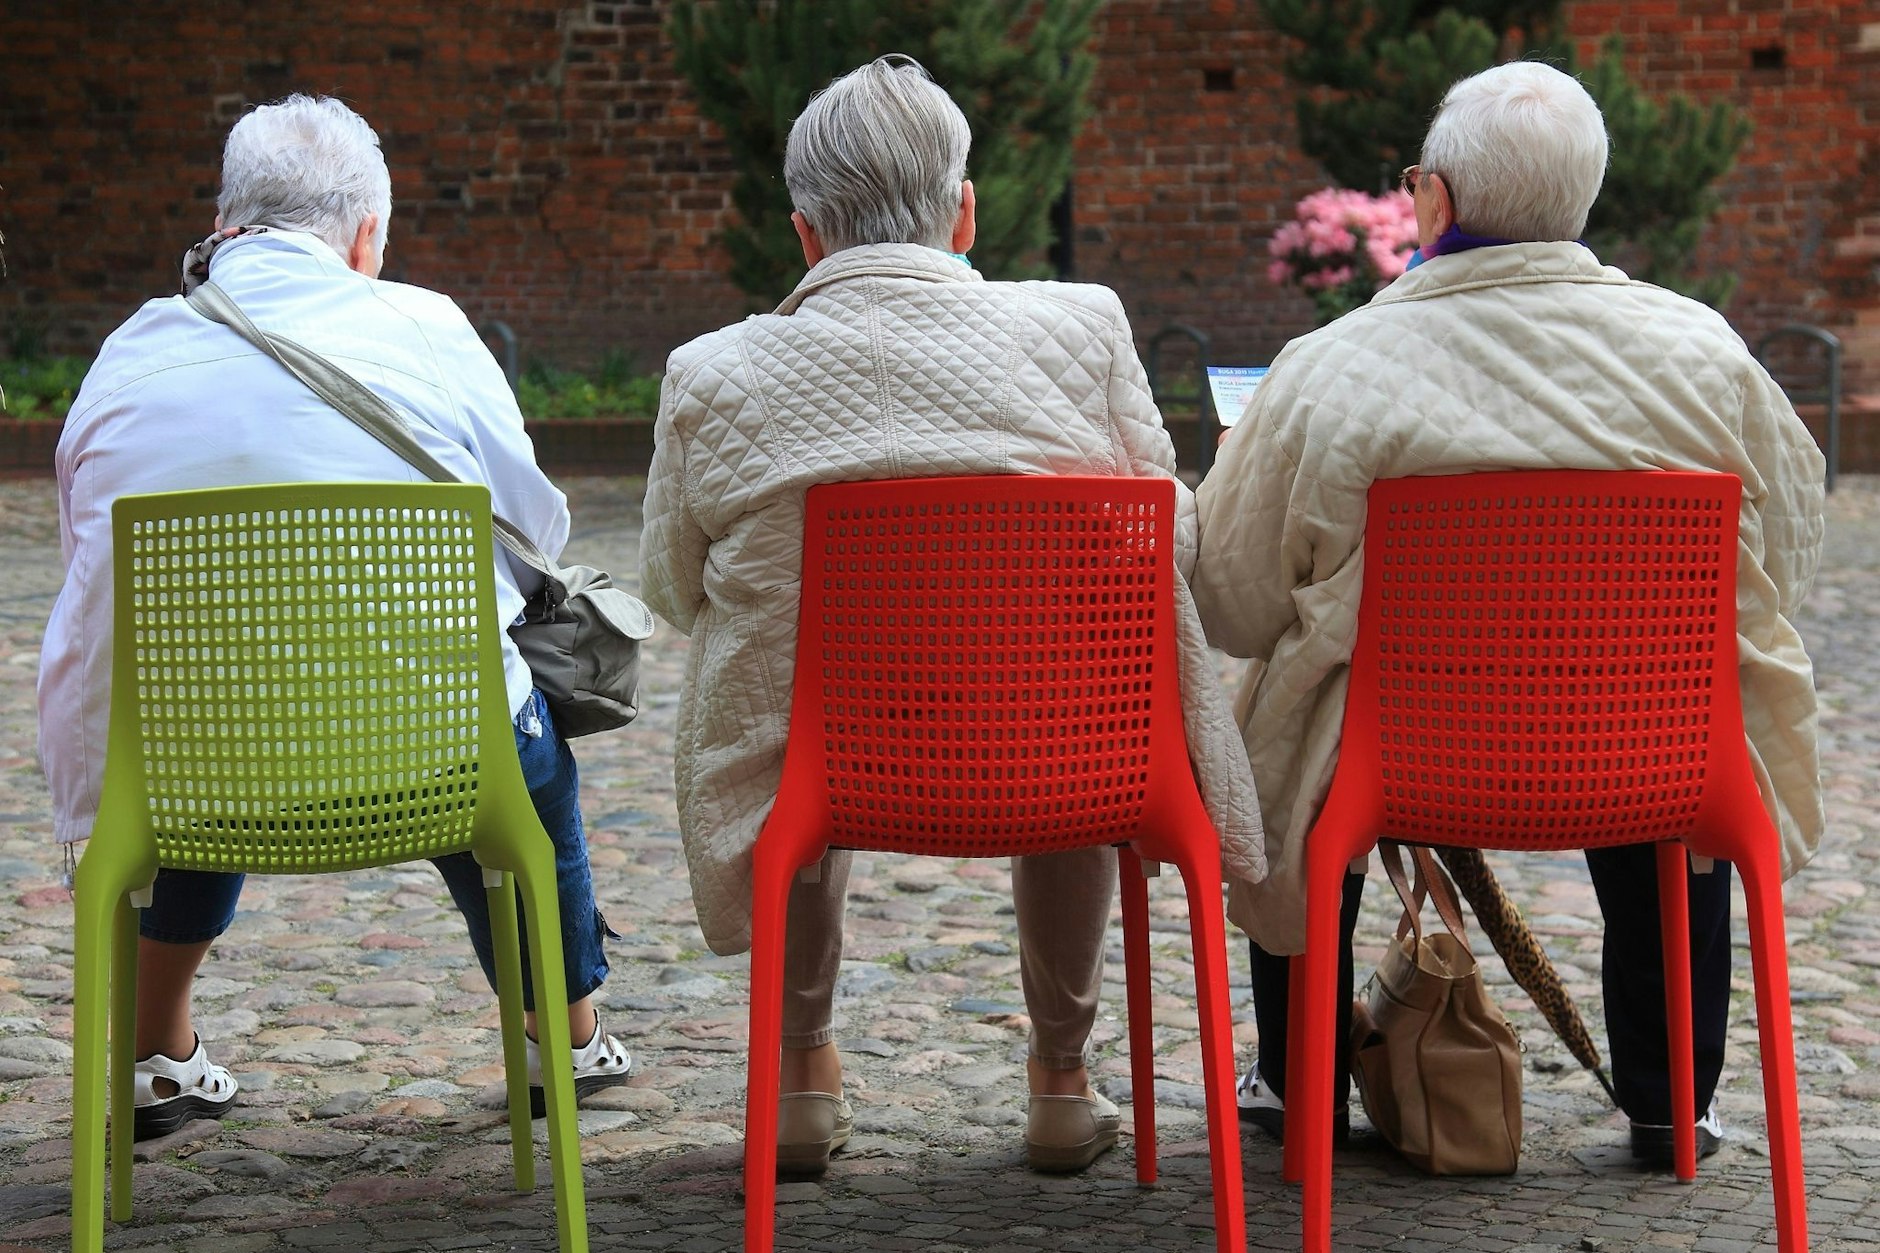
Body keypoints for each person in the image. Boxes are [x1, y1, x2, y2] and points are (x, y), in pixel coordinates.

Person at [640, 55, 1265, 1176]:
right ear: (964, 212)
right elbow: (1157, 528)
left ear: (803, 233)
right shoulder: (1082, 328)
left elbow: (670, 587)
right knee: (1082, 684)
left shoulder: (711, 372)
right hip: (1060, 749)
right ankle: (1062, 1081)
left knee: (791, 691)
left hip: (836, 760)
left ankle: (797, 1074)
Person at [1193, 61, 1824, 1166]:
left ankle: (1296, 1081)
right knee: (1672, 706)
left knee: (1277, 701)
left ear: (1427, 199)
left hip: (1390, 756)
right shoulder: (1705, 356)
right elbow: (1783, 556)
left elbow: (1233, 602)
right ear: (1583, 201)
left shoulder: (1324, 370)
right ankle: (1674, 1101)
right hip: (1643, 747)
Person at [38, 94, 631, 1140]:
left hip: (187, 769)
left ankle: (152, 1048)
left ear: (224, 223)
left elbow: (85, 542)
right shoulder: (428, 326)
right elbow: (536, 518)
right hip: (437, 756)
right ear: (366, 236)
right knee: (513, 746)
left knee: (208, 703)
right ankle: (563, 1030)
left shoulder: (132, 351)